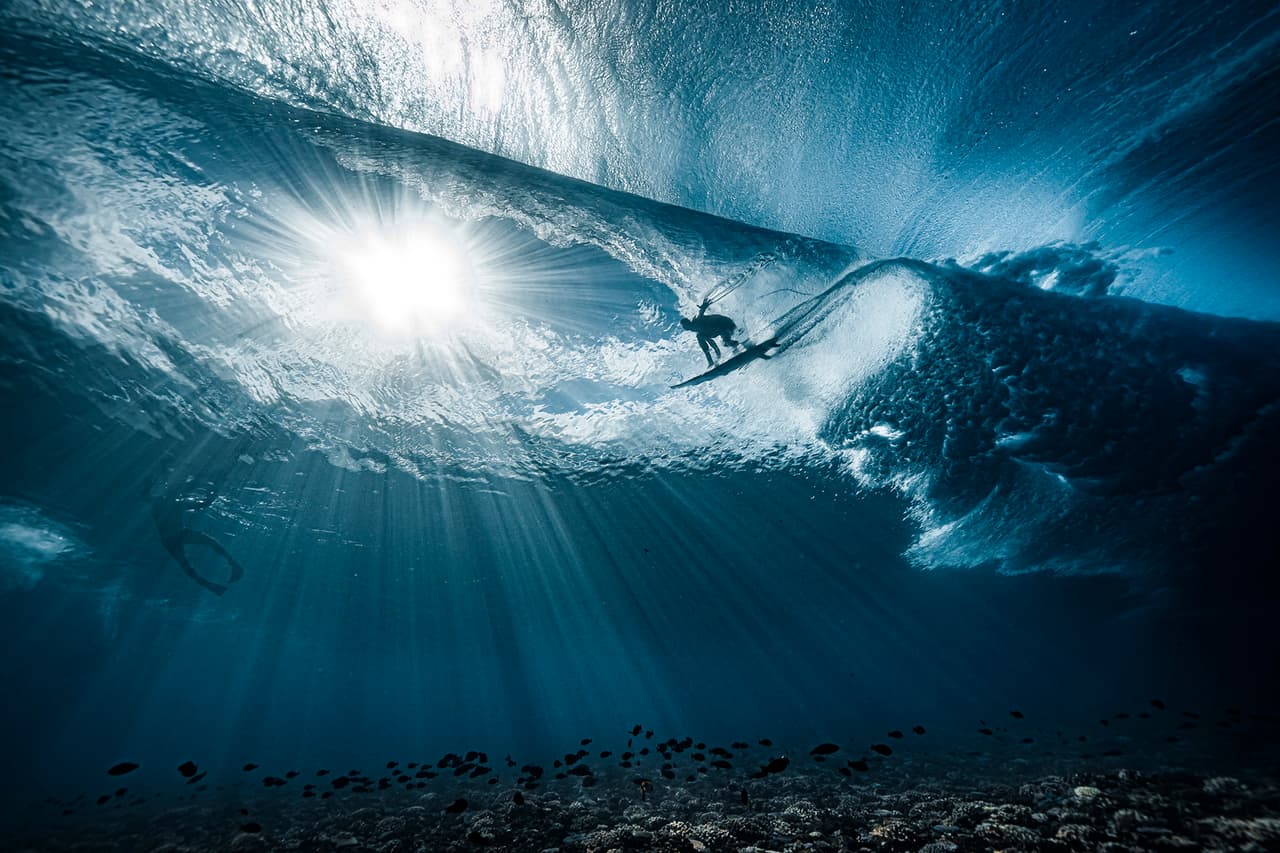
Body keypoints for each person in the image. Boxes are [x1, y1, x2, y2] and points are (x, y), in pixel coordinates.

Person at [151, 492, 244, 596]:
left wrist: (214, 492)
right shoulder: (174, 503)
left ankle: (229, 569)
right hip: (176, 536)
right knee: (204, 547)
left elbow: (204, 504)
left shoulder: (167, 502)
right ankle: (228, 570)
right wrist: (214, 491)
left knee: (188, 562)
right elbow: (204, 504)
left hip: (173, 537)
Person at [680, 299, 742, 367]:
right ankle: (737, 347)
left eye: (689, 325)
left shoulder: (697, 321)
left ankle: (738, 345)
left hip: (726, 324)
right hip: (725, 327)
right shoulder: (701, 333)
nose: (691, 328)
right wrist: (718, 357)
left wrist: (704, 305)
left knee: (726, 342)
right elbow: (712, 344)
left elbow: (700, 313)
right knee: (725, 343)